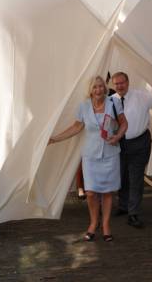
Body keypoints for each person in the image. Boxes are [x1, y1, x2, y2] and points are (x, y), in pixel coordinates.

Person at [48, 75, 127, 242]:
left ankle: (106, 226)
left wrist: (117, 136)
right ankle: (93, 222)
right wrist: (55, 138)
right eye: (94, 87)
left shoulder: (114, 103)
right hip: (90, 155)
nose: (98, 90)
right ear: (90, 90)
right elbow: (76, 127)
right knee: (91, 193)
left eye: (100, 86)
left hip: (110, 153)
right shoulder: (83, 107)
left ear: (104, 88)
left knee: (107, 193)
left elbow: (124, 123)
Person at [111, 71, 152, 228]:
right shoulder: (111, 101)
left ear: (128, 82)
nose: (119, 86)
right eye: (116, 84)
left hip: (139, 143)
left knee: (135, 179)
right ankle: (123, 206)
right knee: (122, 177)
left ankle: (133, 213)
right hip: (119, 145)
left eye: (122, 83)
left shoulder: (140, 95)